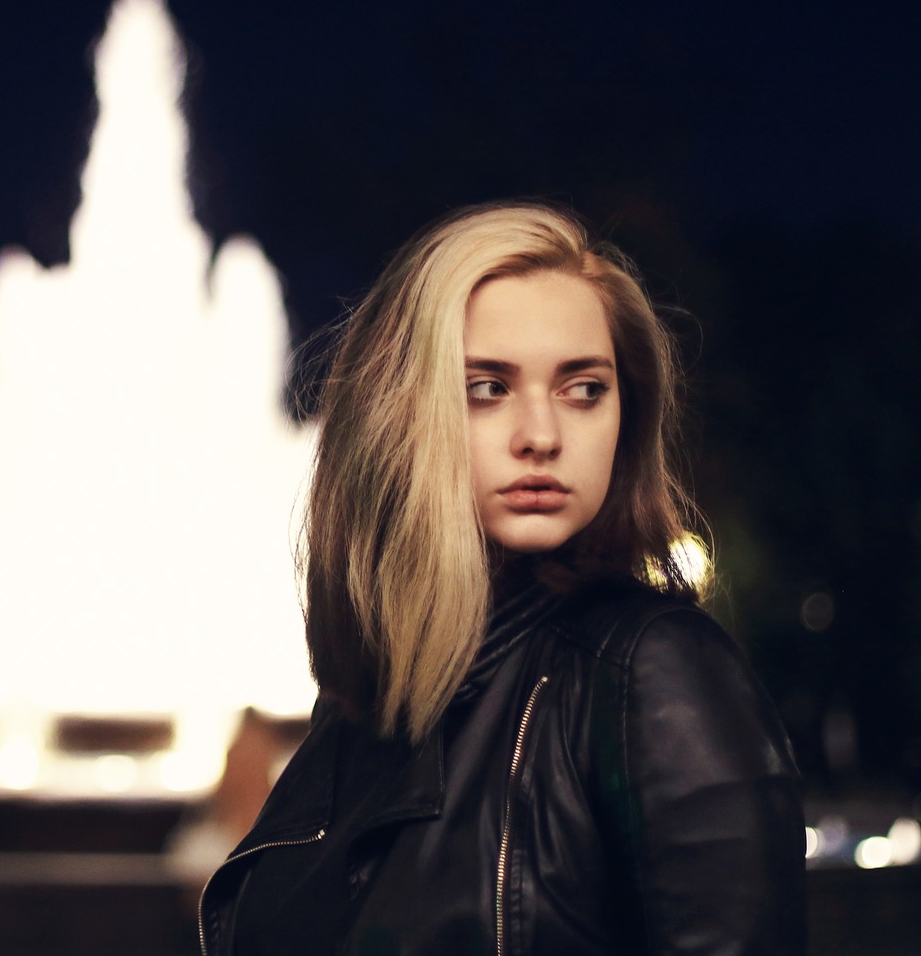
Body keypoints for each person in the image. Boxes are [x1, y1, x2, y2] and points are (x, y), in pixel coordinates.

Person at [197, 203, 805, 955]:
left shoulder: (649, 671)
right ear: (400, 412)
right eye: (487, 387)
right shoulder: (367, 703)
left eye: (584, 389)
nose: (542, 436)